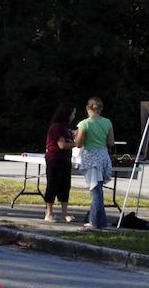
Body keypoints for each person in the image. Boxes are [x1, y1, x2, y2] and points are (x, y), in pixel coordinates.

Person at [75, 97, 115, 231]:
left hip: (91, 158)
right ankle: (99, 221)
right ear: (101, 109)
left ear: (88, 108)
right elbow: (111, 142)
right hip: (103, 156)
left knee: (95, 192)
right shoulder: (107, 122)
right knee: (98, 190)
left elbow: (78, 144)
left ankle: (95, 223)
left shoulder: (84, 124)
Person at [44, 102, 78, 223]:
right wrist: (77, 143)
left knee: (65, 185)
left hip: (65, 159)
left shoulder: (66, 128)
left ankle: (65, 213)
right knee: (53, 184)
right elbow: (62, 145)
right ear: (66, 114)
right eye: (72, 114)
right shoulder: (56, 127)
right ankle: (49, 213)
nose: (74, 116)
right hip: (54, 159)